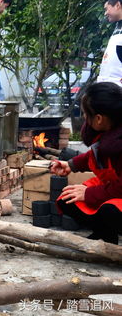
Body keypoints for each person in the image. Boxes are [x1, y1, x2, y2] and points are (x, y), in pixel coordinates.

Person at [50, 82, 122, 245]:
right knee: (66, 198)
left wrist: (89, 193)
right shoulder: (108, 130)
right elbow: (96, 155)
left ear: (98, 119)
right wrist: (71, 165)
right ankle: (104, 235)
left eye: (85, 114)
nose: (83, 117)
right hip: (111, 186)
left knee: (109, 210)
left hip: (118, 190)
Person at [98, 0, 122, 86]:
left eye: (106, 9)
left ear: (117, 5)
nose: (105, 13)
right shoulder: (117, 26)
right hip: (109, 89)